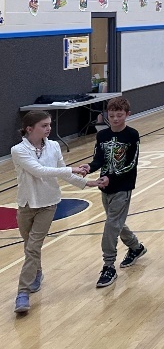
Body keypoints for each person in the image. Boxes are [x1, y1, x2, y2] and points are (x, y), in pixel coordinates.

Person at [12, 112, 102, 314]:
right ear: (29, 129)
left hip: (48, 204)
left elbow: (61, 171)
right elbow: (39, 170)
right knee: (30, 246)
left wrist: (87, 182)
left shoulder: (53, 146)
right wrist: (71, 169)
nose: (48, 129)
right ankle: (37, 272)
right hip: (26, 205)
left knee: (33, 247)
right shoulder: (18, 150)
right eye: (44, 125)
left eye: (49, 125)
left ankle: (22, 293)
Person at [76, 96, 146, 288]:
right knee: (116, 222)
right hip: (105, 185)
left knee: (111, 225)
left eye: (119, 115)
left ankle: (109, 266)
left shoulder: (132, 135)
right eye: (112, 115)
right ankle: (136, 247)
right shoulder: (102, 135)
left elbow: (131, 163)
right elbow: (98, 158)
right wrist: (88, 168)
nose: (115, 119)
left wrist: (112, 178)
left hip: (122, 186)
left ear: (127, 115)